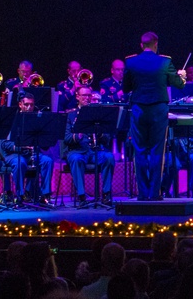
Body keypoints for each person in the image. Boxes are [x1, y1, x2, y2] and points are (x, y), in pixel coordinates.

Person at [122, 32, 186, 201]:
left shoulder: (131, 61)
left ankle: (143, 193)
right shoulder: (165, 61)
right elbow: (179, 84)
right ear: (156, 45)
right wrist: (182, 77)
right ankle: (154, 192)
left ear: (141, 45)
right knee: (158, 150)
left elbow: (126, 88)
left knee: (140, 150)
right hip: (158, 110)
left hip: (138, 110)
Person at [0, 93, 54, 205]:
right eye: (26, 104)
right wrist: (21, 147)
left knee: (48, 161)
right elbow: (4, 144)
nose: (29, 108)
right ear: (20, 104)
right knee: (20, 163)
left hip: (31, 154)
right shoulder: (12, 120)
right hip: (13, 154)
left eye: (32, 105)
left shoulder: (37, 119)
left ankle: (44, 195)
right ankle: (20, 195)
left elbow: (45, 145)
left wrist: (45, 139)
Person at [64, 86, 116, 205]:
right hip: (77, 150)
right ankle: (81, 196)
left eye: (89, 95)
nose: (87, 98)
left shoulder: (98, 114)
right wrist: (78, 136)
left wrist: (100, 132)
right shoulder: (70, 116)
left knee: (109, 157)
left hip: (95, 151)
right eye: (84, 95)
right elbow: (66, 138)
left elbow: (107, 139)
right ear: (77, 97)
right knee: (76, 159)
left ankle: (106, 194)